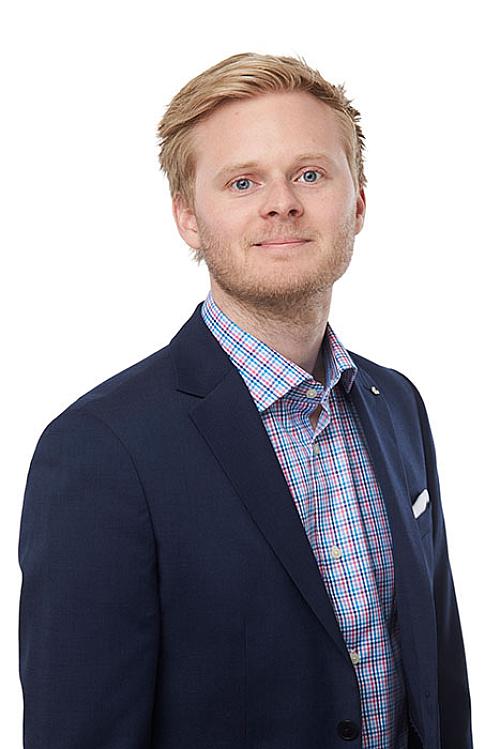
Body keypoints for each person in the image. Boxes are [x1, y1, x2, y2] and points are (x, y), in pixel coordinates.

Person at [18, 52, 473, 749]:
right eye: (242, 181)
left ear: (358, 201)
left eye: (310, 174)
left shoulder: (398, 405)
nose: (282, 202)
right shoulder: (99, 450)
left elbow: (440, 686)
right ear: (188, 218)